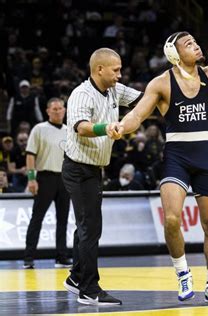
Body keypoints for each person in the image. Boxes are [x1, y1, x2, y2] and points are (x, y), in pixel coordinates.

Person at [116, 4, 208, 304]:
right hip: (177, 156)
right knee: (172, 219)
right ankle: (182, 272)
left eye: (195, 42)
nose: (196, 45)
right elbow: (138, 115)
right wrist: (121, 126)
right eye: (188, 44)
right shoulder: (161, 83)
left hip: (206, 155)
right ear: (174, 54)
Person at [61, 48, 143, 306]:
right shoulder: (81, 94)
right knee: (90, 228)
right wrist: (105, 128)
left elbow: (145, 99)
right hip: (78, 168)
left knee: (86, 225)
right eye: (116, 70)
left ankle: (75, 277)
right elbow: (81, 127)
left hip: (94, 169)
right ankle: (89, 289)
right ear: (99, 69)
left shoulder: (115, 90)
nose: (120, 74)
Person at [23, 98, 72, 269]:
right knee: (37, 218)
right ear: (47, 111)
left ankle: (61, 256)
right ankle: (28, 257)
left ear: (65, 110)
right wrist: (31, 178)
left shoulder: (70, 130)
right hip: (45, 177)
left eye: (60, 108)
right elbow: (30, 155)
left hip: (65, 179)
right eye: (54, 109)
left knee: (63, 220)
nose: (58, 111)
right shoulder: (39, 129)